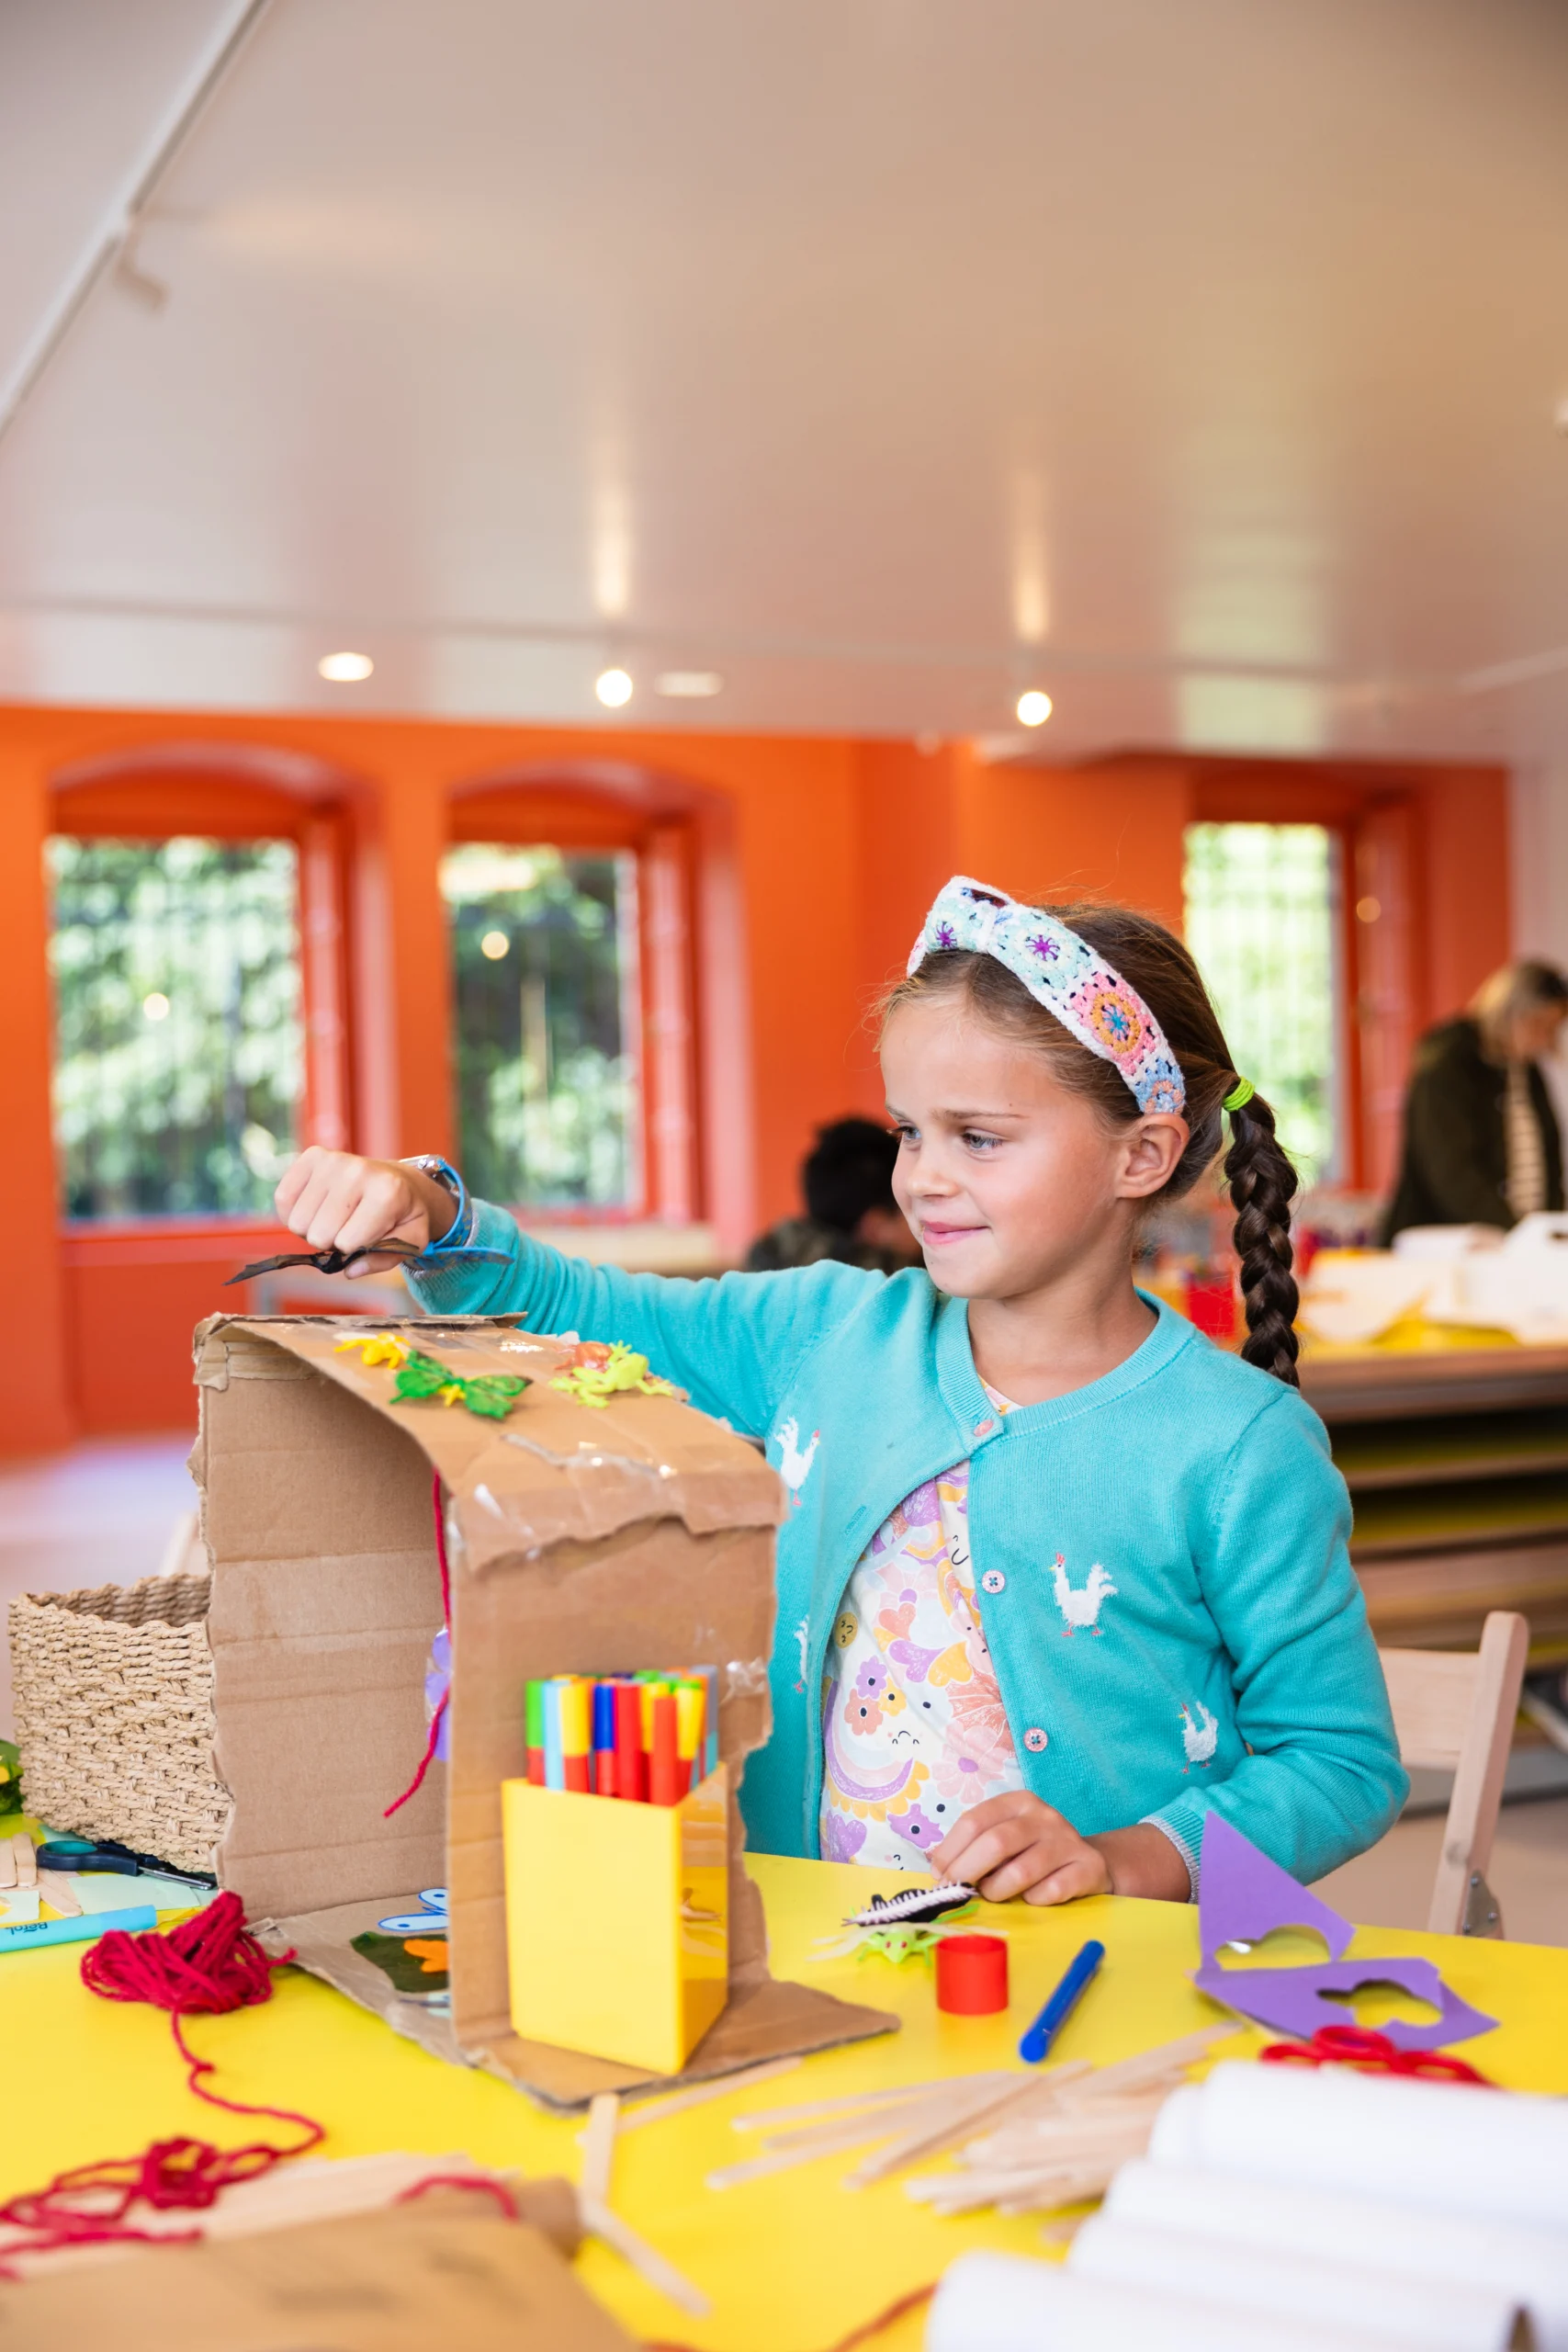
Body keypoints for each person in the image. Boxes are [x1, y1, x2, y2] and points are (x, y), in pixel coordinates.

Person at [275, 876, 1404, 1905]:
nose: (925, 1176)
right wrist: (429, 1209)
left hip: (1094, 1990)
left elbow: (1340, 1762)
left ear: (1142, 1155)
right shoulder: (829, 1331)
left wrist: (1128, 1857)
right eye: (911, 1131)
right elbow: (589, 1310)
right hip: (823, 1960)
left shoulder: (1240, 1443)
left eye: (980, 1136)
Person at [1383, 961, 1568, 1241]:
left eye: (1552, 1028)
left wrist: (1546, 1228)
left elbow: (1549, 1153)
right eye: (1537, 1024)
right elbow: (1452, 1172)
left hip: (1515, 1238)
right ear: (1510, 1011)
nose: (1543, 1039)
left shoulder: (1526, 1070)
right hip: (1451, 1239)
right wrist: (1514, 1230)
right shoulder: (1448, 1062)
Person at [746, 1116, 920, 1272]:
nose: (925, 1216)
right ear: (876, 1228)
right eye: (917, 1203)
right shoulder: (909, 1293)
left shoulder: (767, 1266)